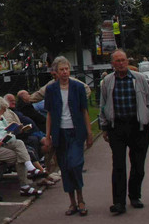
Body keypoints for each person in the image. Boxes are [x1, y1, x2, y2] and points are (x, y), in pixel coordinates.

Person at [98, 50, 149, 214]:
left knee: (138, 165)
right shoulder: (107, 81)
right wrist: (104, 127)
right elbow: (103, 105)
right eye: (117, 61)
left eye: (123, 60)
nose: (121, 63)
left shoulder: (139, 79)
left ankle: (135, 195)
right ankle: (119, 202)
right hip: (117, 127)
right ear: (112, 64)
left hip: (138, 126)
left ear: (127, 61)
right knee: (119, 165)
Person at [44, 56, 93, 216]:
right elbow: (50, 114)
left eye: (67, 69)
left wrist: (89, 132)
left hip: (76, 132)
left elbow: (84, 111)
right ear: (56, 73)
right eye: (61, 70)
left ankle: (81, 198)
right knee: (65, 167)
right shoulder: (51, 90)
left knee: (74, 164)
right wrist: (48, 136)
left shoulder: (78, 87)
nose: (65, 72)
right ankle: (72, 202)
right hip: (60, 133)